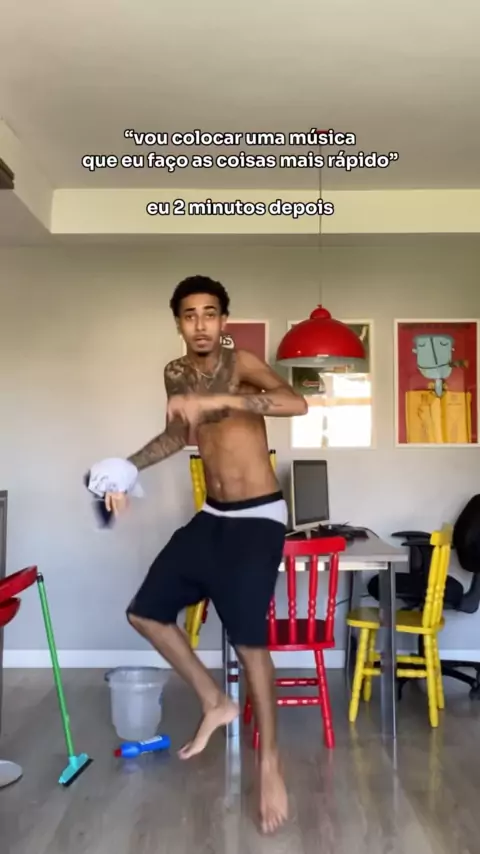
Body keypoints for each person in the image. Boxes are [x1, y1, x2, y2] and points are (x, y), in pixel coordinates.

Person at [106, 275, 307, 833]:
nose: (200, 324)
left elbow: (297, 402)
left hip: (259, 517)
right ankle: (215, 702)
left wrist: (222, 398)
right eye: (190, 314)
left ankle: (269, 764)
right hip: (214, 516)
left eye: (210, 313)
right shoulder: (175, 372)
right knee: (145, 612)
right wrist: (125, 469)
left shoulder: (241, 362)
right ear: (178, 322)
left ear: (223, 320)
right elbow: (178, 435)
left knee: (249, 642)